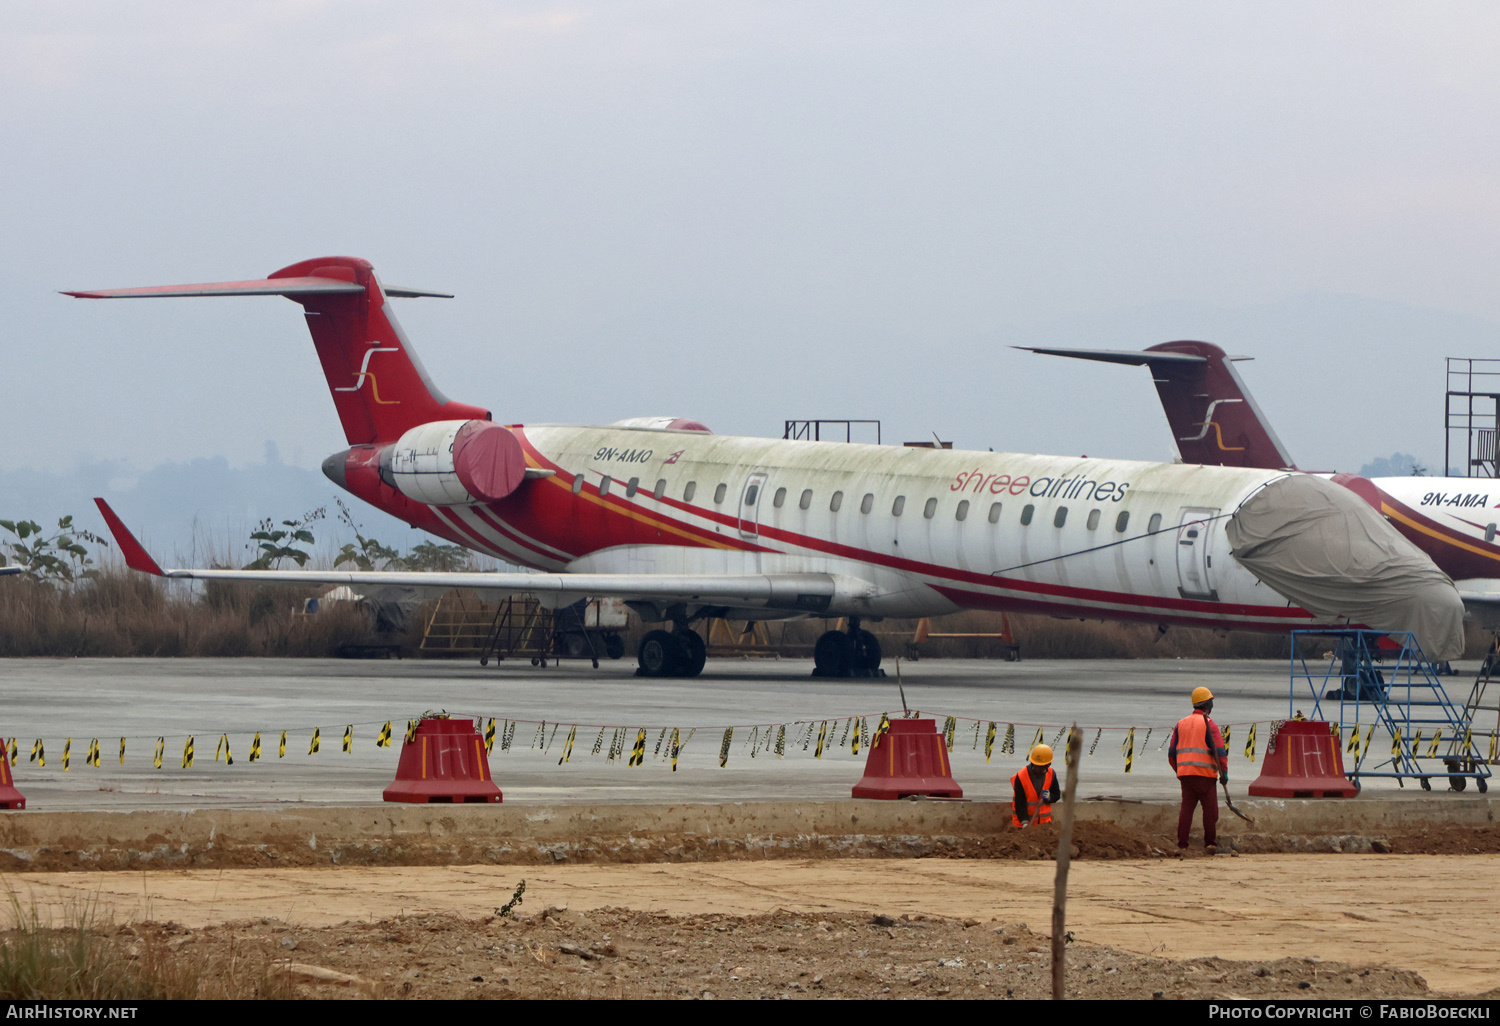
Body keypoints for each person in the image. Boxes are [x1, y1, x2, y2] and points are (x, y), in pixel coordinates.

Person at [1168, 686, 1229, 852]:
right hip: (1205, 776)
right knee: (1210, 812)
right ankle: (1210, 843)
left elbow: (1171, 754)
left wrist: (1180, 770)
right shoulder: (1210, 725)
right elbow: (1220, 752)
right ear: (1208, 704)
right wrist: (1224, 773)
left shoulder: (1181, 724)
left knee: (1186, 809)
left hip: (1186, 775)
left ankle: (1182, 845)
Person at [1011, 743, 1061, 828]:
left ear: (1048, 765)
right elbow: (1019, 803)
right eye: (1036, 765)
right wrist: (1024, 822)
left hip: (1044, 826)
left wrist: (1050, 797)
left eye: (1041, 766)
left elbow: (1057, 795)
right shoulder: (1021, 776)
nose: (1038, 768)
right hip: (1023, 825)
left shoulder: (1051, 774)